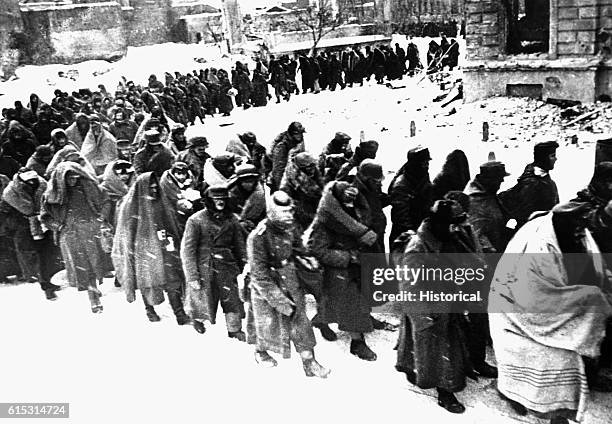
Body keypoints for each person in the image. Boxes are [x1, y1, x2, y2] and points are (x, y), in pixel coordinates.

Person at [489, 201, 612, 424]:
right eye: (575, 227)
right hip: (515, 316)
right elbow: (535, 298)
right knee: (561, 357)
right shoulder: (538, 244)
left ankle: (559, 408)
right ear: (560, 223)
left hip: (554, 307)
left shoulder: (578, 232)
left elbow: (595, 267)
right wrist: (587, 295)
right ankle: (535, 403)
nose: (579, 232)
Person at [395, 199, 481, 414]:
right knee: (436, 348)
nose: (457, 229)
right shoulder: (418, 247)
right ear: (440, 223)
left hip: (449, 300)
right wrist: (422, 319)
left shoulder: (449, 235)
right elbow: (409, 288)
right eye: (453, 224)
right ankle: (445, 391)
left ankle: (409, 365)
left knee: (430, 346)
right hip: (429, 306)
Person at [246, 191, 330, 378]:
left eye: (290, 212)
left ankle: (310, 363)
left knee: (300, 322)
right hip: (267, 286)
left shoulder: (290, 227)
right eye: (284, 213)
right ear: (272, 212)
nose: (289, 216)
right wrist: (280, 301)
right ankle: (260, 351)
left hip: (289, 277)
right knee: (267, 324)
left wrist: (309, 259)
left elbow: (298, 247)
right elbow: (259, 275)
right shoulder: (257, 237)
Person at [307, 181, 379, 359]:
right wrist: (347, 257)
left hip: (358, 262)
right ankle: (357, 342)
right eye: (346, 200)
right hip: (337, 268)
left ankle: (321, 320)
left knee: (356, 295)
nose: (350, 203)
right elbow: (317, 249)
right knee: (351, 300)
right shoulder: (325, 222)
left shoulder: (354, 214)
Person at [112, 172, 191, 325]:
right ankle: (149, 309)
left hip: (164, 247)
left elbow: (170, 222)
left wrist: (172, 240)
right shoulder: (131, 205)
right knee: (147, 282)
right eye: (151, 189)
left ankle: (179, 313)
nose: (154, 191)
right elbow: (127, 231)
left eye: (156, 188)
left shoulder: (161, 202)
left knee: (172, 279)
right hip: (144, 250)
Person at [41, 162, 107, 313]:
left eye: (76, 178)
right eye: (69, 179)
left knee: (94, 264)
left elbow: (104, 200)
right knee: (83, 267)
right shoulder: (51, 196)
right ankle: (93, 296)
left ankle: (94, 292)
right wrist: (58, 226)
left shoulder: (87, 190)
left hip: (89, 231)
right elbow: (44, 217)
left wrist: (99, 218)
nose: (73, 181)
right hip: (70, 235)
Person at [181, 185, 247, 337]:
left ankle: (234, 329)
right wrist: (192, 276)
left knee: (233, 299)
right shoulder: (196, 220)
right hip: (205, 265)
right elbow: (188, 251)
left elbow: (239, 246)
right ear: (209, 200)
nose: (220, 202)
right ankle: (197, 320)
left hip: (227, 265)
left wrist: (245, 266)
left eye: (223, 198)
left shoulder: (232, 220)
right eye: (216, 199)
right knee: (203, 298)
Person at [0, 169, 61, 300]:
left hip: (43, 223)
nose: (33, 183)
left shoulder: (42, 185)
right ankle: (44, 284)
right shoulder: (10, 194)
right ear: (21, 182)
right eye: (29, 181)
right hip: (22, 227)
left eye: (34, 180)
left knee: (46, 253)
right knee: (32, 255)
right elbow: (4, 212)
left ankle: (46, 280)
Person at [499, 141, 560, 228]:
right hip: (534, 233)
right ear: (544, 158)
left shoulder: (546, 180)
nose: (555, 159)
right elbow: (523, 215)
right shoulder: (531, 183)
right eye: (552, 156)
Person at [389, 146, 433, 245]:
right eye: (424, 163)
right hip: (405, 236)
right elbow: (401, 215)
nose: (426, 166)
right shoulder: (402, 185)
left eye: (427, 162)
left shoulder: (421, 177)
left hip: (421, 229)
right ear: (416, 164)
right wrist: (411, 234)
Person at [465, 161, 511, 252]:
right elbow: (476, 233)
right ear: (490, 180)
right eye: (500, 179)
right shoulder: (475, 201)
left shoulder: (489, 194)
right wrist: (491, 251)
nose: (502, 181)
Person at [279, 152, 324, 232]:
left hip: (313, 205)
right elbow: (289, 206)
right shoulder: (288, 183)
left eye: (313, 165)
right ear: (301, 168)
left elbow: (321, 188)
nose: (312, 169)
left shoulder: (314, 171)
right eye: (308, 167)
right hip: (299, 214)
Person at [228, 164, 266, 234]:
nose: (249, 184)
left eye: (251, 181)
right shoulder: (231, 193)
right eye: (246, 182)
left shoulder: (261, 193)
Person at [269, 122, 306, 192]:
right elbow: (278, 169)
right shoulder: (281, 146)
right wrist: (280, 188)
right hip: (280, 177)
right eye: (297, 134)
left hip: (293, 173)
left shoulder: (299, 139)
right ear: (292, 134)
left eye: (301, 133)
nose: (300, 136)